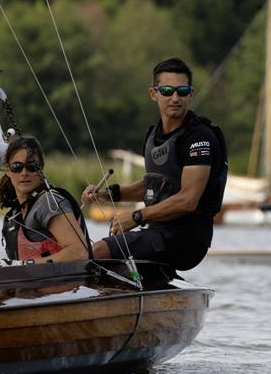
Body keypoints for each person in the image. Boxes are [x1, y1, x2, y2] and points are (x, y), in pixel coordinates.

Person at [81, 57, 227, 271]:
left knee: (98, 252)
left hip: (186, 239)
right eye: (167, 91)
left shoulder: (199, 137)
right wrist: (107, 195)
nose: (175, 98)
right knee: (93, 253)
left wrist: (137, 216)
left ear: (190, 94)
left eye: (182, 91)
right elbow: (155, 185)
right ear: (154, 94)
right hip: (158, 232)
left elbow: (188, 200)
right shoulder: (153, 135)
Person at [0, 136, 91, 264]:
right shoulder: (16, 213)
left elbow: (80, 252)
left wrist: (24, 264)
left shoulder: (48, 203)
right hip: (32, 283)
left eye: (32, 166)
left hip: (65, 283)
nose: (24, 173)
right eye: (17, 167)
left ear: (41, 168)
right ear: (7, 170)